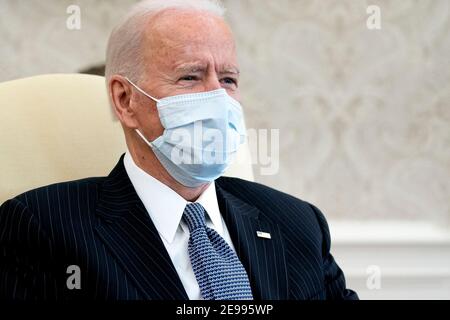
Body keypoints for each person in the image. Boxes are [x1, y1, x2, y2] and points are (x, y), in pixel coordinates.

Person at [0, 0, 358, 300]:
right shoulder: (43, 227)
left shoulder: (297, 224)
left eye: (228, 80)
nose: (217, 97)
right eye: (190, 77)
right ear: (125, 100)